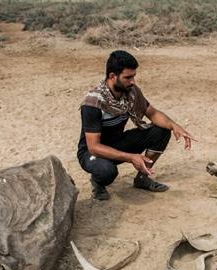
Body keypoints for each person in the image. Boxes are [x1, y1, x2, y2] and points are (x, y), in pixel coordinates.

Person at [77, 50, 195, 200]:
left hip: (118, 143)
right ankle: (98, 182)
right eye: (128, 77)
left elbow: (152, 113)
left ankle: (142, 178)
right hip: (92, 152)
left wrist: (174, 126)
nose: (132, 81)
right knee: (107, 171)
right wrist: (131, 157)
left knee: (162, 130)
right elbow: (93, 146)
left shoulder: (130, 92)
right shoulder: (93, 102)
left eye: (133, 76)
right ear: (112, 76)